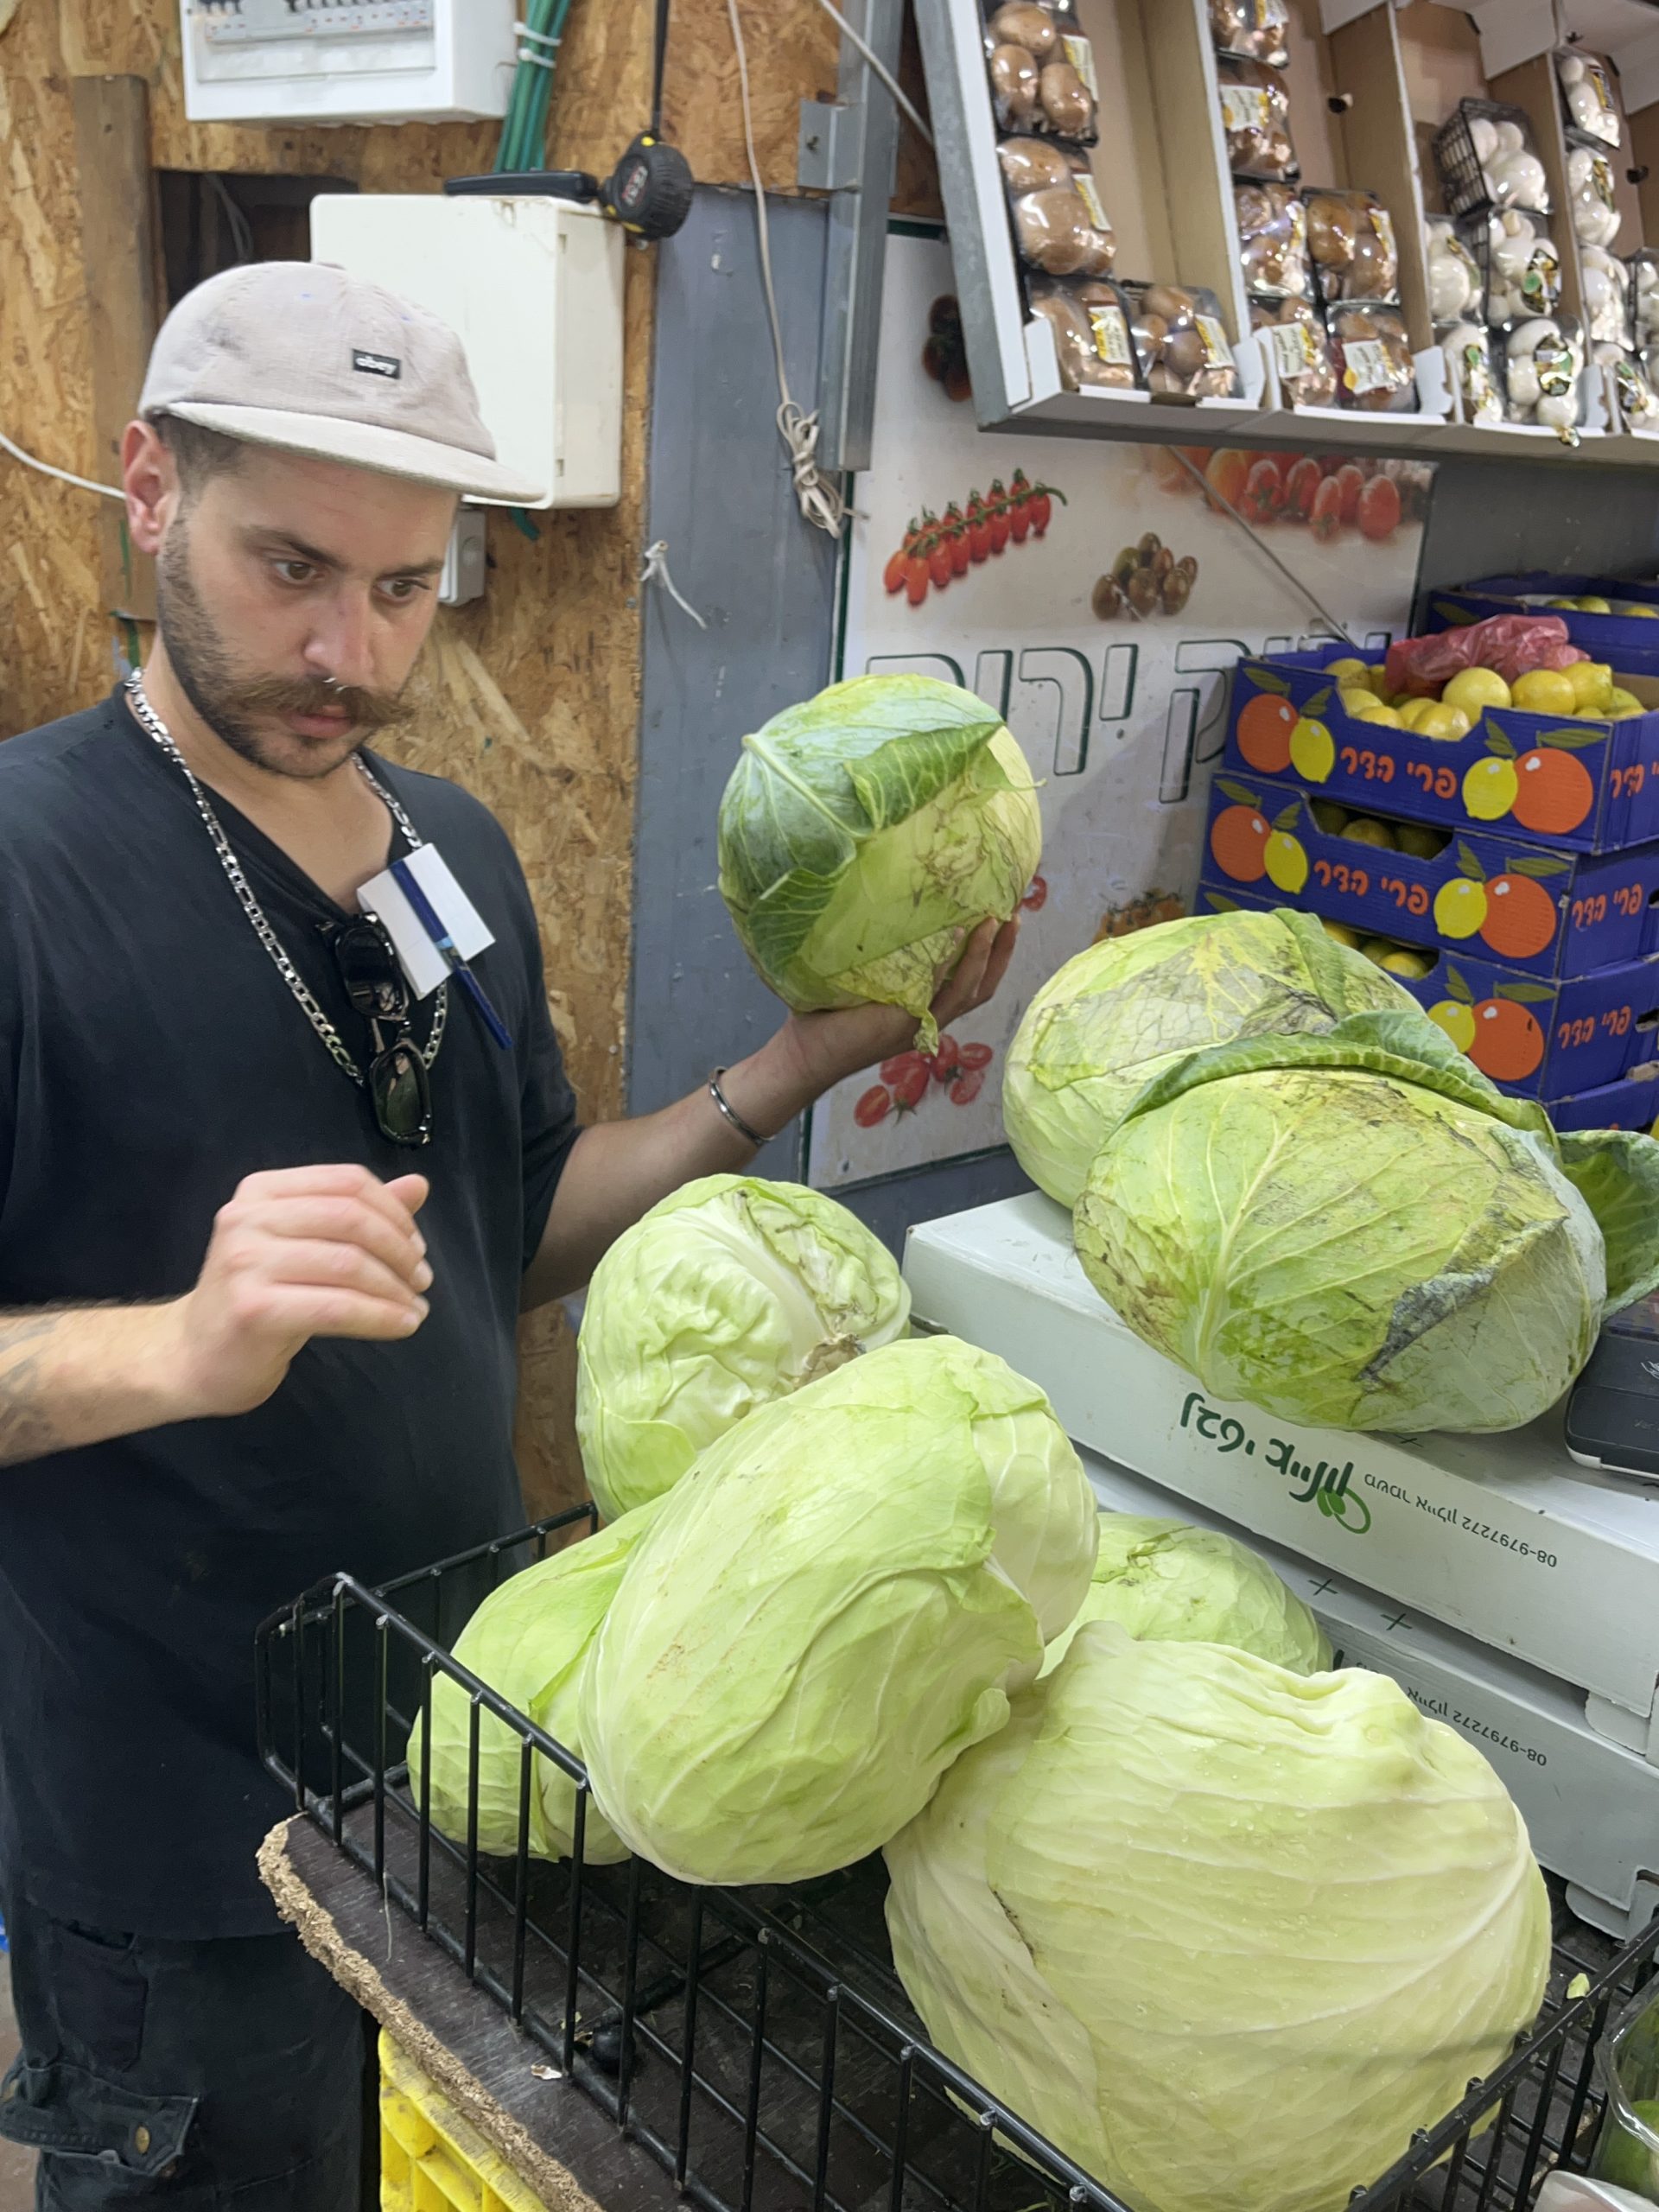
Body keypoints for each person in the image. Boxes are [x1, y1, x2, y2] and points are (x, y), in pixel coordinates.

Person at [0, 262, 1017, 2209]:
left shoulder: (450, 845)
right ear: (148, 489)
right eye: (290, 568)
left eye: (405, 587)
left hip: (465, 1745)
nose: (348, 650)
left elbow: (516, 1230)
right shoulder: (29, 865)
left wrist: (802, 1060)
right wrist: (178, 1343)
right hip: (172, 1825)